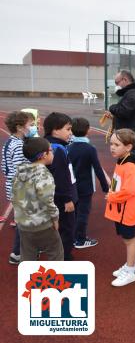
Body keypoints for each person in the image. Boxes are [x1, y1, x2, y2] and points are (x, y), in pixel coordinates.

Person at [12, 137, 63, 261]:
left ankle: (26, 279)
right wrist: (55, 218)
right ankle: (55, 279)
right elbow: (48, 200)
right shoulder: (44, 175)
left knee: (27, 255)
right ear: (44, 155)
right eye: (51, 151)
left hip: (23, 224)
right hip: (42, 224)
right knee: (55, 252)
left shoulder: (20, 173)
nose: (52, 154)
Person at [105, 129, 135, 287]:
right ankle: (131, 266)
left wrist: (113, 196)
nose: (112, 147)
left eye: (116, 145)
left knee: (129, 240)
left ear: (128, 147)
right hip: (120, 210)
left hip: (127, 212)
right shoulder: (121, 160)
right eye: (111, 144)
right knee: (126, 239)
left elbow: (130, 190)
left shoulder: (130, 166)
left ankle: (130, 271)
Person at [107, 70, 135, 212]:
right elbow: (125, 114)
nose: (116, 85)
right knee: (127, 174)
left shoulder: (133, 94)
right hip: (127, 141)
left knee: (132, 175)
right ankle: (133, 202)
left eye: (117, 82)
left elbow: (123, 111)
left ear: (125, 80)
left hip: (129, 143)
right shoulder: (133, 93)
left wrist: (112, 108)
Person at [67, 117, 110, 249]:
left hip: (71, 186)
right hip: (86, 187)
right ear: (88, 130)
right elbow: (98, 169)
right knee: (83, 213)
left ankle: (72, 236)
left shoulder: (68, 147)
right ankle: (80, 240)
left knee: (73, 212)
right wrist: (105, 187)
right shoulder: (90, 148)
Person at [44, 112, 78, 261]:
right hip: (61, 199)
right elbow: (60, 177)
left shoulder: (50, 145)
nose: (70, 133)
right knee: (67, 230)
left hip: (55, 196)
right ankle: (63, 259)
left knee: (60, 229)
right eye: (68, 129)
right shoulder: (56, 150)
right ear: (55, 130)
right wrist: (67, 199)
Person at [2, 111, 34, 264]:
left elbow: (4, 167)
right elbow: (20, 171)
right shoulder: (20, 146)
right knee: (24, 223)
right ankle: (18, 254)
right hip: (21, 190)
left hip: (12, 188)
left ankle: (21, 251)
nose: (33, 127)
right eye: (30, 125)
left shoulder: (9, 142)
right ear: (20, 127)